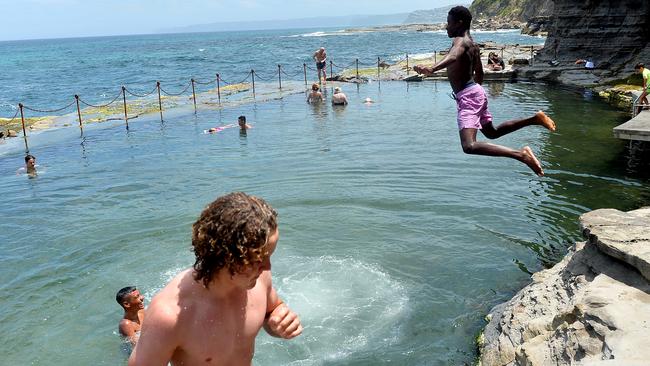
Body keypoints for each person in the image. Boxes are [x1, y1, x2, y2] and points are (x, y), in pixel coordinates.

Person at [129, 192, 302, 366]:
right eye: (257, 260)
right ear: (224, 256)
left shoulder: (259, 280)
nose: (267, 268)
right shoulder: (168, 316)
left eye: (269, 256)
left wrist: (278, 320)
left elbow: (272, 309)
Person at [413, 6, 556, 177]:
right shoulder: (472, 44)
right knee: (492, 132)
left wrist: (432, 69)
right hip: (475, 91)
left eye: (449, 23)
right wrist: (477, 93)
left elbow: (453, 56)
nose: (446, 27)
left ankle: (522, 155)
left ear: (459, 23)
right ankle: (534, 119)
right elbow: (479, 73)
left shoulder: (460, 41)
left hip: (469, 95)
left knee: (469, 146)